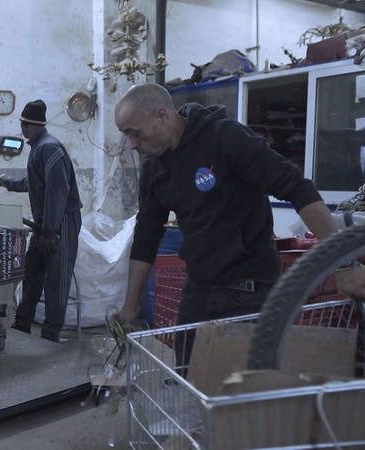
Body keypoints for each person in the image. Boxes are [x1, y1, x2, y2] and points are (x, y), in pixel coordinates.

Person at [112, 83, 365, 365]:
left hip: (251, 291)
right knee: (189, 378)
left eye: (134, 133)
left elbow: (297, 187)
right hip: (199, 289)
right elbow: (146, 237)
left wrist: (341, 265)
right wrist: (130, 305)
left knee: (247, 389)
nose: (132, 144)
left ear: (162, 115)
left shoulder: (225, 137)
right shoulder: (154, 169)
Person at [0, 100, 83, 342]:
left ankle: (50, 335)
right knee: (32, 272)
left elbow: (57, 192)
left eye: (23, 124)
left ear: (29, 125)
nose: (21, 129)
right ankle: (22, 325)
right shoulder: (39, 148)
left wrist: (50, 233)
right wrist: (7, 183)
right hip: (46, 223)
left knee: (56, 279)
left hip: (61, 222)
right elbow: (35, 184)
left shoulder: (49, 148)